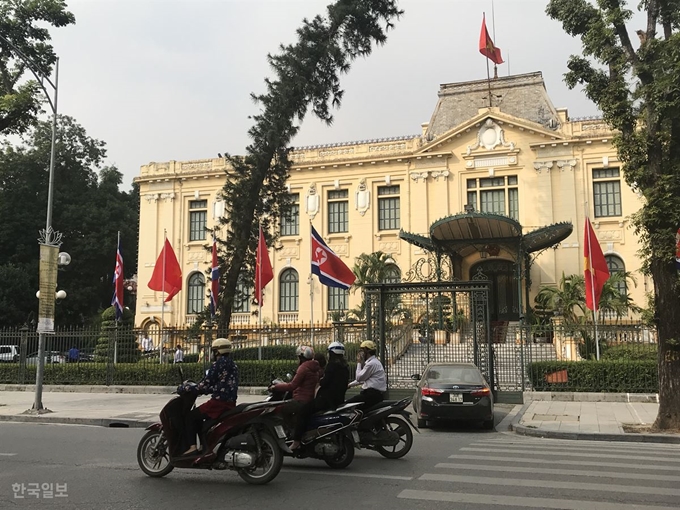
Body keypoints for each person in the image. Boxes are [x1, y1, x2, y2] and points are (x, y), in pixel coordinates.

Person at [179, 338, 239, 456]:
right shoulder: (233, 365)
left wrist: (185, 388)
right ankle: (203, 446)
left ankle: (192, 447)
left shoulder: (218, 364)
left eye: (213, 350)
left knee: (190, 417)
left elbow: (204, 384)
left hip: (218, 403)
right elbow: (220, 384)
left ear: (217, 352)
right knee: (201, 418)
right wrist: (206, 390)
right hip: (230, 403)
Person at [290, 341, 349, 450]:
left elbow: (325, 382)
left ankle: (296, 440)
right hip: (339, 399)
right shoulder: (345, 367)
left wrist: (321, 381)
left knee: (303, 411)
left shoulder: (332, 366)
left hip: (326, 399)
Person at [269, 345, 321, 432]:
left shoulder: (303, 368)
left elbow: (292, 386)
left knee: (281, 409)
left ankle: (290, 430)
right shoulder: (314, 367)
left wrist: (275, 387)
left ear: (301, 357)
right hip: (309, 400)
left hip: (301, 400)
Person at [347, 340, 386, 409]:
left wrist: (359, 363)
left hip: (371, 395)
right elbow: (363, 379)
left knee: (348, 404)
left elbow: (359, 378)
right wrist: (350, 385)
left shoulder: (371, 364)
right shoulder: (374, 362)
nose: (360, 353)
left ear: (366, 351)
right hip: (374, 394)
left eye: (361, 351)